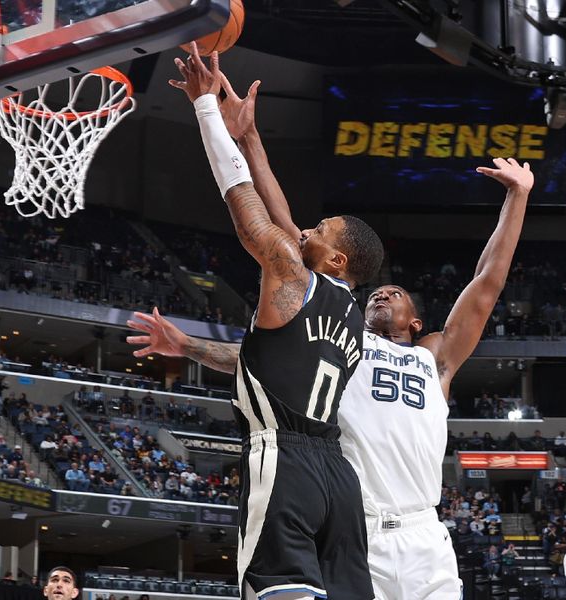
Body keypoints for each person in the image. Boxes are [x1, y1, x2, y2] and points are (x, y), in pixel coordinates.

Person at [129, 64, 533, 599]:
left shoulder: (437, 358)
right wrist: (250, 140)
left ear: (417, 322)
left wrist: (518, 197)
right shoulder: (344, 336)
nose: (384, 293)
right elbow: (285, 254)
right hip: (350, 516)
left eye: (397, 295)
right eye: (378, 291)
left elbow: (487, 282)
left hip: (422, 532)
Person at [129, 44, 383, 600]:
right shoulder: (352, 316)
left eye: (319, 229)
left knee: (277, 592)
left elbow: (246, 206)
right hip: (338, 480)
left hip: (284, 459)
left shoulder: (295, 276)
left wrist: (204, 109)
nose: (306, 230)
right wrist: (190, 348)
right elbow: (263, 364)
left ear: (335, 259)